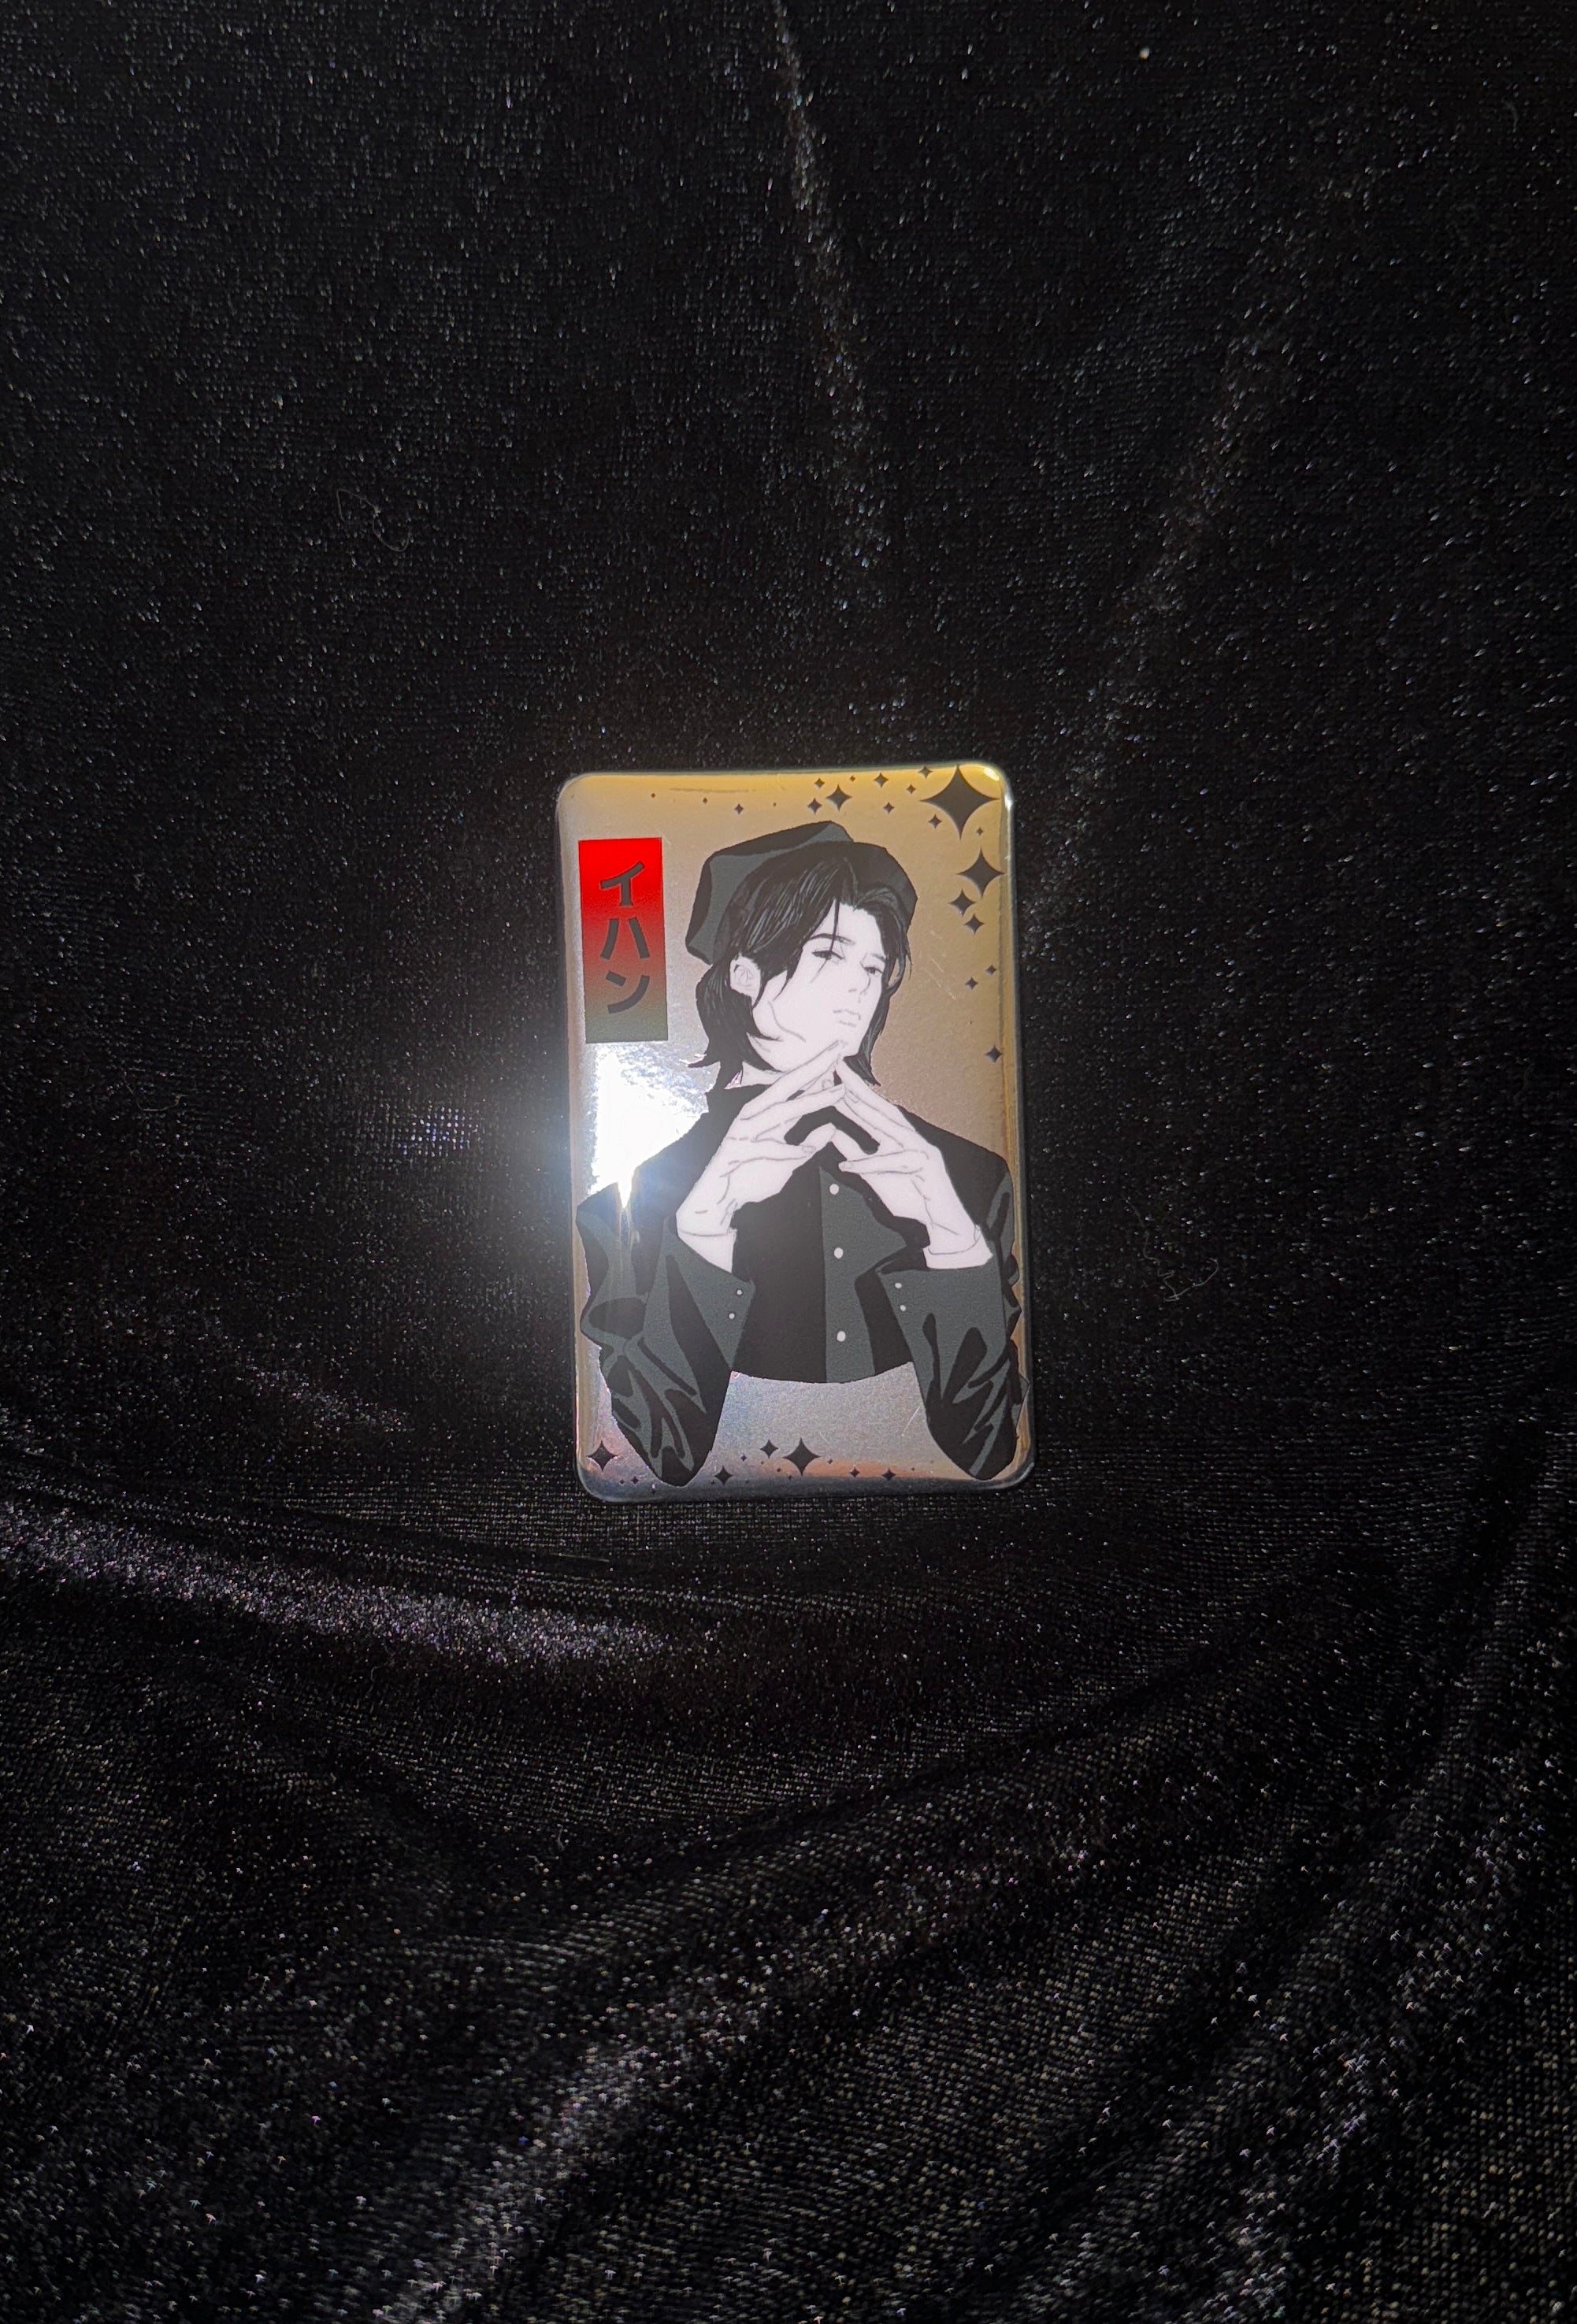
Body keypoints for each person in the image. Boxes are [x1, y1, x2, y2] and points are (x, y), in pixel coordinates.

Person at [576, 822, 1023, 1486]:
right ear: (744, 974)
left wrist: (953, 1240)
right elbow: (665, 1456)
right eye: (829, 954)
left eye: (873, 967)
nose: (859, 988)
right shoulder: (631, 1204)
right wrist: (703, 1229)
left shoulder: (971, 1180)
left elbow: (987, 1450)